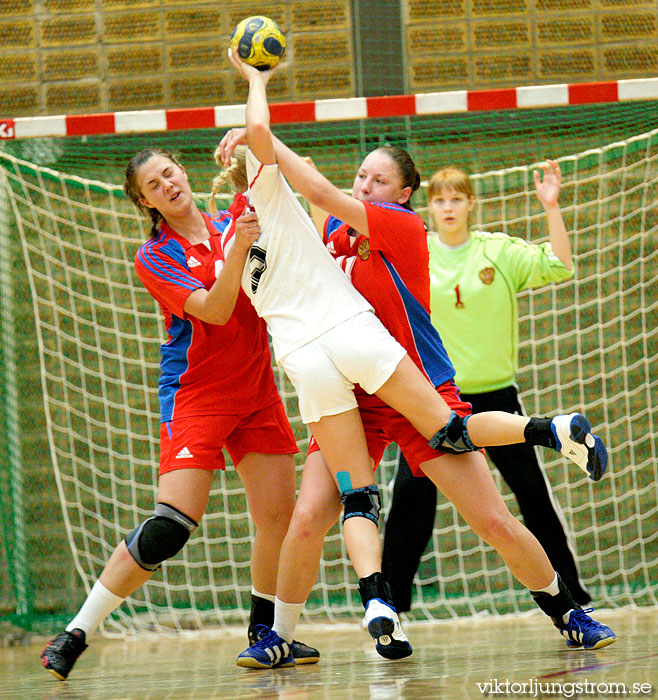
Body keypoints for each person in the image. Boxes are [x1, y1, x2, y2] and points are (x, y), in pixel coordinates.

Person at [220, 53, 616, 669]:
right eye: (362, 177)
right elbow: (305, 192)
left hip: (411, 386)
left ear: (404, 194)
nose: (365, 186)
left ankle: (568, 611)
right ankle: (278, 634)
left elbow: (313, 185)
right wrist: (253, 148)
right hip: (352, 399)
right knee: (308, 518)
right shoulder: (332, 237)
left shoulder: (399, 228)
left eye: (377, 181)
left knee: (492, 520)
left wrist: (261, 135)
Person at [39, 147, 320, 681]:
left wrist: (258, 159)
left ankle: (265, 633)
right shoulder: (157, 255)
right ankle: (76, 633)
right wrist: (239, 247)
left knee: (278, 518)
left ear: (184, 173)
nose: (166, 184)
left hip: (256, 390)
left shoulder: (228, 219)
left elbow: (282, 197)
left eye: (169, 172)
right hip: (197, 394)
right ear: (145, 202)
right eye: (152, 184)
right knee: (171, 526)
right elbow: (214, 310)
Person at [382, 163, 592, 614]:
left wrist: (551, 208)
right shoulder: (418, 253)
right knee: (410, 504)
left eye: (457, 198)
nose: (448, 207)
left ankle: (574, 597)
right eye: (439, 199)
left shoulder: (496, 251)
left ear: (471, 203)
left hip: (496, 399)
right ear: (429, 206)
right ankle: (390, 608)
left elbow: (559, 265)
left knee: (532, 495)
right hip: (434, 402)